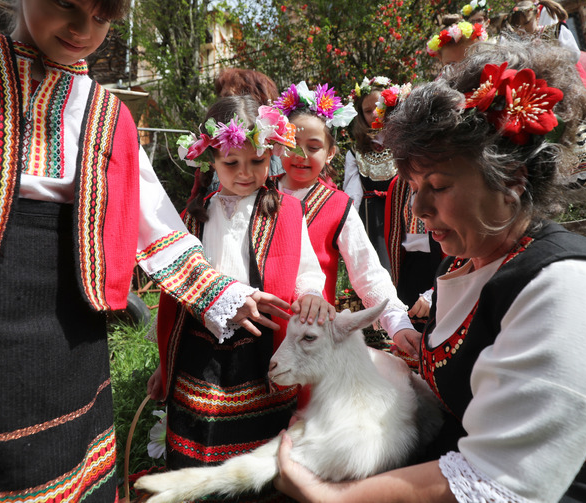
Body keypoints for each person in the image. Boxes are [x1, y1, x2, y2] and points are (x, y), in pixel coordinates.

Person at [0, 0, 295, 500]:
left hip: (63, 330)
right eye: (64, 4)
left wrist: (218, 292)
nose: (82, 30)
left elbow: (151, 221)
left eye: (102, 17)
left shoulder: (109, 113)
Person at [274, 40, 586, 502]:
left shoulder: (569, 289)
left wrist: (328, 496)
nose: (419, 207)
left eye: (439, 185)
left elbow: (498, 480)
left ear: (511, 180)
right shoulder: (469, 263)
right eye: (412, 187)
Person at [153, 96, 334, 495]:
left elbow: (305, 269)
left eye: (256, 161)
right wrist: (163, 364)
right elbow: (180, 286)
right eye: (231, 163)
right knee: (198, 432)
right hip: (200, 347)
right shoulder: (198, 214)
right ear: (210, 162)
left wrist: (311, 295)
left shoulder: (285, 210)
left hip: (261, 345)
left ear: (271, 154)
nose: (245, 173)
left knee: (257, 443)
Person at [271, 81, 421, 358]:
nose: (301, 156)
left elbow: (368, 273)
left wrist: (398, 325)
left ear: (330, 153)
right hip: (260, 328)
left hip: (311, 335)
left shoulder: (337, 206)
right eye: (293, 145)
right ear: (280, 146)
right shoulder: (262, 195)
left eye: (314, 147)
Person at [508, 3, 586, 184]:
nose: (523, 29)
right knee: (557, 129)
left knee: (577, 125)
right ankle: (567, 176)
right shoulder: (519, 42)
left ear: (536, 17)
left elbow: (573, 55)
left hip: (566, 87)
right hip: (544, 93)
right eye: (519, 27)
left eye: (526, 23)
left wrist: (548, 55)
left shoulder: (555, 30)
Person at [342, 76, 398, 274]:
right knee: (379, 269)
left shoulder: (403, 145)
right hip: (372, 221)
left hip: (402, 215)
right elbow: (353, 195)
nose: (375, 113)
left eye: (379, 106)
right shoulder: (356, 152)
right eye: (368, 110)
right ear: (361, 116)